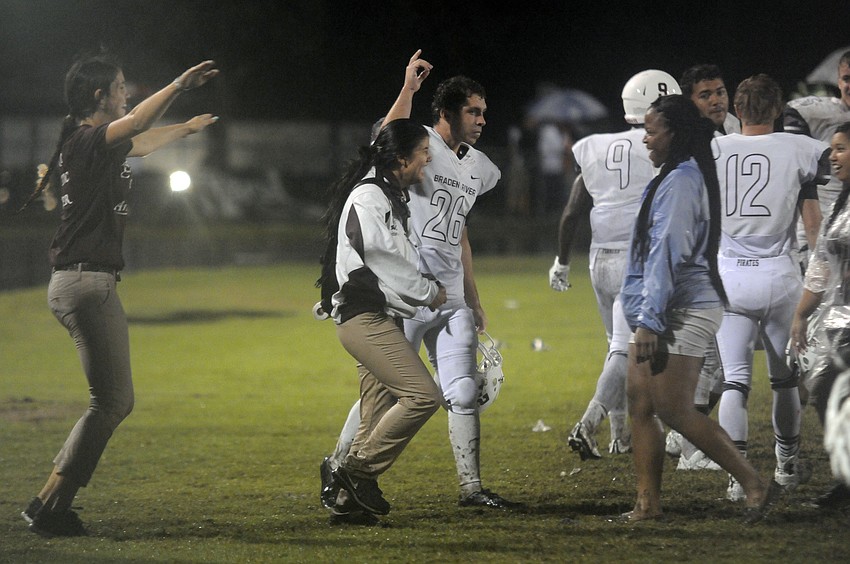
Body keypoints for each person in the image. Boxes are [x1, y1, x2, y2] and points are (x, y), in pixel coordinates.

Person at [19, 52, 219, 536]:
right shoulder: (89, 140)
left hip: (77, 280)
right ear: (99, 97)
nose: (126, 93)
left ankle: (46, 503)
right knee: (111, 403)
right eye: (121, 86)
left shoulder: (87, 144)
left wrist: (186, 130)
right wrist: (177, 85)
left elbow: (141, 140)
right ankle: (50, 508)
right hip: (87, 282)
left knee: (109, 401)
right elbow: (134, 124)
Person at [321, 50, 516, 510]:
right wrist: (408, 88)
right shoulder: (418, 144)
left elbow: (461, 233)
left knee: (463, 389)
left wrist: (473, 296)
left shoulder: (483, 169)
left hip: (449, 295)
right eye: (473, 110)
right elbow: (385, 140)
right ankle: (340, 464)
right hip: (405, 294)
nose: (482, 119)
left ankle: (471, 488)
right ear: (446, 114)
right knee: (390, 389)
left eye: (484, 112)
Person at [622, 94, 778, 522]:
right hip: (665, 308)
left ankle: (755, 485)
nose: (645, 140)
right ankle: (647, 505)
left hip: (682, 309)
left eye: (651, 132)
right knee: (639, 402)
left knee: (673, 408)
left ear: (673, 133)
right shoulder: (676, 174)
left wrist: (649, 323)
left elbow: (665, 255)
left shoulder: (682, 181)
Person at [317, 117, 448, 519]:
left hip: (377, 317)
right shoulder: (371, 197)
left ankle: (346, 502)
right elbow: (385, 258)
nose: (427, 164)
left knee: (373, 414)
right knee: (423, 396)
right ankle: (352, 473)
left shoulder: (388, 192)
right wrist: (429, 291)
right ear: (402, 158)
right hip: (363, 319)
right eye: (424, 155)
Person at [549, 69, 681, 460]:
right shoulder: (661, 141)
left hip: (598, 259)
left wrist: (561, 262)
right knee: (625, 353)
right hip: (636, 260)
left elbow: (573, 211)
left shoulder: (594, 146)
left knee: (615, 348)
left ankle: (620, 437)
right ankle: (588, 423)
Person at [713, 74, 828, 502]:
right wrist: (823, 276)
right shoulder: (800, 149)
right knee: (783, 380)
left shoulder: (715, 149)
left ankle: (736, 478)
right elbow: (813, 226)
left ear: (737, 111)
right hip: (780, 275)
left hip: (729, 276)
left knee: (734, 383)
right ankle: (786, 465)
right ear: (778, 110)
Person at [666, 63, 740, 470]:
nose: (716, 99)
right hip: (700, 261)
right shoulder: (687, 139)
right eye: (705, 94)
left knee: (716, 361)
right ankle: (689, 444)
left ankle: (682, 439)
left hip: (730, 257)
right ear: (689, 101)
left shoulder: (732, 129)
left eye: (720, 91)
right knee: (717, 361)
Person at [790, 121, 850, 509]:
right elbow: (821, 266)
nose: (833, 156)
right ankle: (845, 480)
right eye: (832, 148)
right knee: (824, 393)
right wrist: (800, 316)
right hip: (840, 318)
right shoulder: (841, 201)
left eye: (842, 148)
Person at [679, 63, 741, 135]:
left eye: (720, 93)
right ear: (689, 102)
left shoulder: (733, 122)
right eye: (705, 96)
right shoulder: (684, 138)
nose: (716, 101)